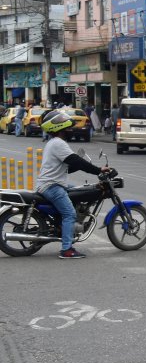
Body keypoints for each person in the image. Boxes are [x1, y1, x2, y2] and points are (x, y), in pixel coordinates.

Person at [32, 109, 112, 258]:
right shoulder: (58, 144)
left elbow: (69, 167)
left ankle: (62, 227)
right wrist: (98, 170)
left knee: (78, 191)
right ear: (58, 127)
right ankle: (66, 249)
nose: (70, 129)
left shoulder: (54, 142)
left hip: (51, 184)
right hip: (52, 186)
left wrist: (87, 167)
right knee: (69, 214)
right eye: (67, 127)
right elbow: (75, 161)